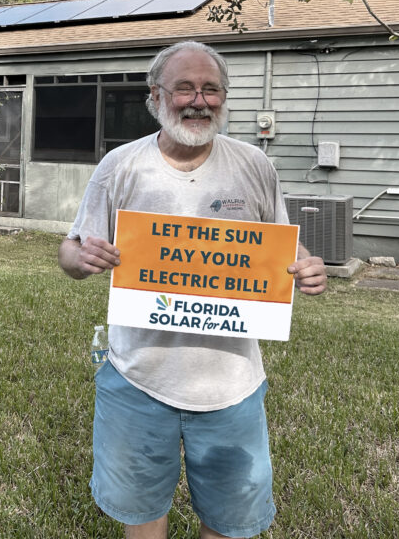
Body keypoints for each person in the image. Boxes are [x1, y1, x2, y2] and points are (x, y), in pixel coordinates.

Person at [58, 41, 327, 539]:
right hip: (136, 379)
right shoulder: (121, 165)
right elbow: (71, 250)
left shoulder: (254, 165)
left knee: (229, 523)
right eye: (184, 88)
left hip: (232, 385)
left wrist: (307, 267)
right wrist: (81, 259)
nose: (199, 101)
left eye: (211, 89)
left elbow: (281, 248)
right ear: (156, 95)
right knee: (141, 516)